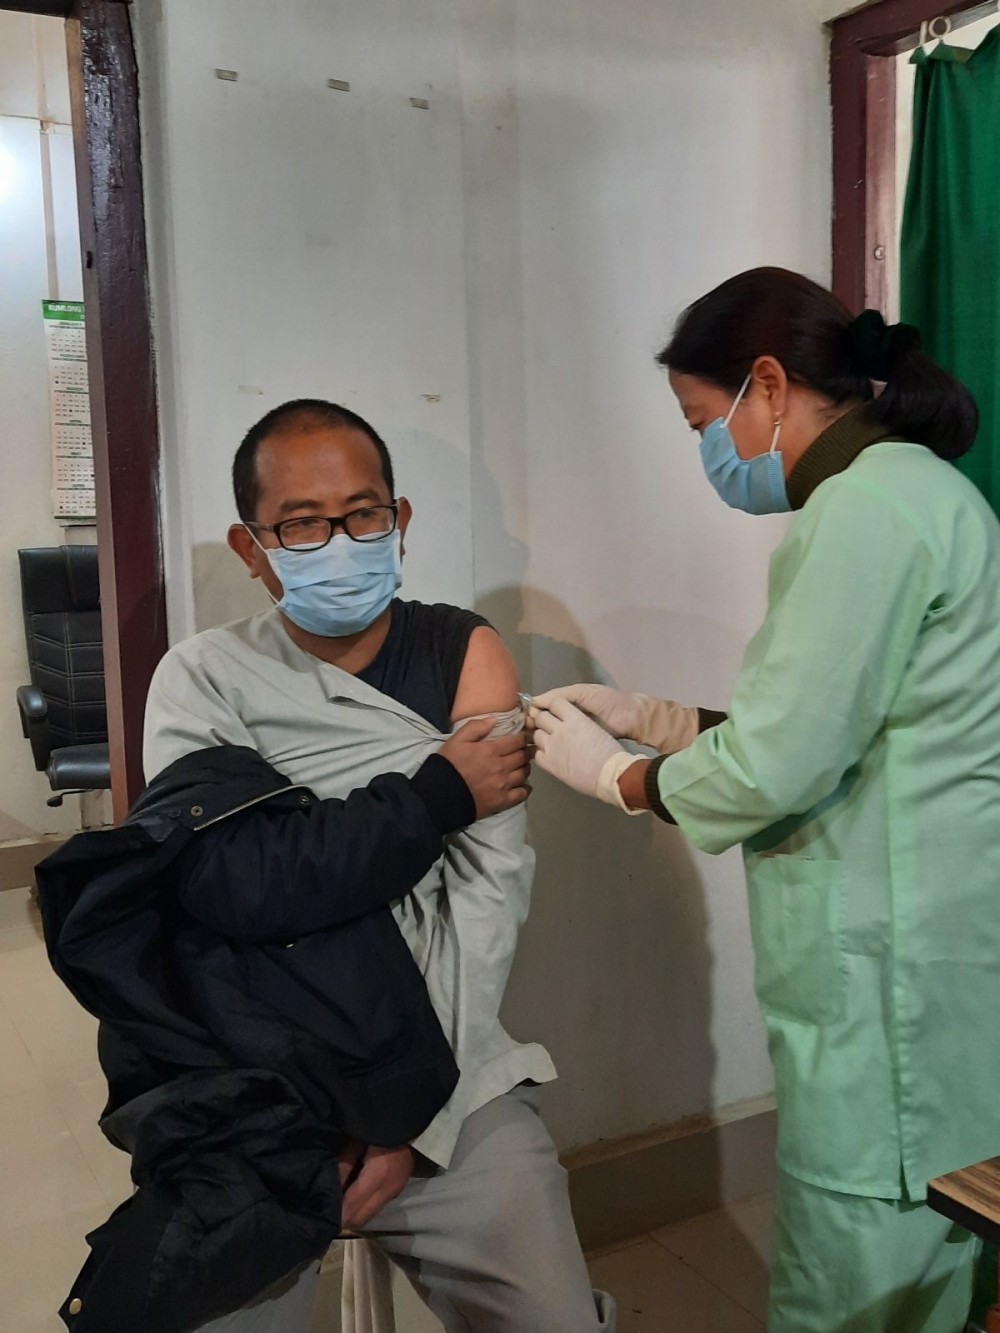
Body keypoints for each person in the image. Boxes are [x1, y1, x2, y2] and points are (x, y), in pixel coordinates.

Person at [529, 267, 1000, 1333]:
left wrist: (616, 774)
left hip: (885, 988)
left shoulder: (862, 510)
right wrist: (652, 716)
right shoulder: (921, 492)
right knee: (936, 1252)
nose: (709, 451)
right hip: (939, 962)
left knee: (855, 1277)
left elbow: (780, 766)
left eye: (703, 420)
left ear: (770, 386)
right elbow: (845, 727)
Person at [143, 399, 615, 1332]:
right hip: (257, 1065)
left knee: (549, 1314)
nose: (340, 539)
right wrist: (436, 793)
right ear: (252, 548)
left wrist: (403, 1114)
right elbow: (231, 885)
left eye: (363, 514)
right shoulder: (201, 678)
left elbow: (484, 901)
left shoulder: (462, 649)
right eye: (303, 524)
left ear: (398, 522)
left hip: (442, 1060)